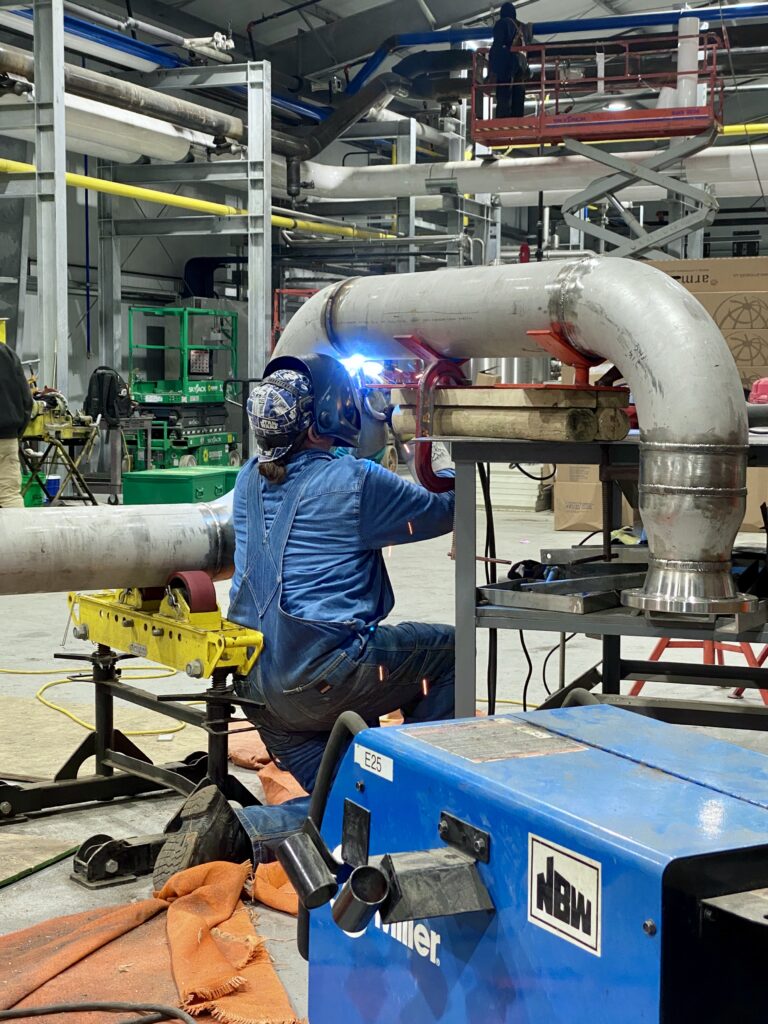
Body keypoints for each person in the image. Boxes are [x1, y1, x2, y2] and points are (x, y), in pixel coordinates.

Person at [152, 353, 456, 885]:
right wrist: (440, 447)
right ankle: (422, 794)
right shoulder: (356, 482)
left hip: (263, 699)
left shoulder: (248, 478)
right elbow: (446, 507)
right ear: (325, 417)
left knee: (348, 806)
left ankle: (243, 832)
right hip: (325, 681)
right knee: (448, 655)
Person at [0, 336, 32, 508]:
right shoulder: (7, 353)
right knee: (9, 497)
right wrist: (16, 433)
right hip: (7, 439)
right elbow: (27, 400)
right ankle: (19, 535)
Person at [489, 2, 529, 119]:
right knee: (518, 91)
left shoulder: (503, 23)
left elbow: (498, 44)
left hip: (507, 63)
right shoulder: (521, 27)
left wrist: (492, 65)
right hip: (521, 65)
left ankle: (502, 119)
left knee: (503, 92)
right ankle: (518, 118)